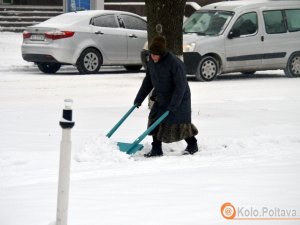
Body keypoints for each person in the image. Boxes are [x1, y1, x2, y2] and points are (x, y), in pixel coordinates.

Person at [134, 35, 199, 157]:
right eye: (151, 54)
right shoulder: (151, 62)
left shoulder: (174, 63)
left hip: (179, 98)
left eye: (156, 55)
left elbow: (180, 86)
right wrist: (139, 99)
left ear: (162, 54)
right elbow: (148, 81)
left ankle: (192, 145)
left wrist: (173, 105)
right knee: (154, 120)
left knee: (179, 123)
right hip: (161, 96)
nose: (153, 57)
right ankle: (156, 149)